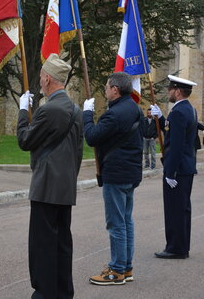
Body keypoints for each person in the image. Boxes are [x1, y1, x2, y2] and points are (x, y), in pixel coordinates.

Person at [17, 53, 83, 299]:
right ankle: (63, 292)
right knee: (62, 244)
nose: (40, 80)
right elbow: (77, 152)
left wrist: (24, 112)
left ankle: (44, 293)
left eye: (42, 76)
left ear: (48, 78)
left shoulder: (49, 109)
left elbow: (25, 140)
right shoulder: (75, 109)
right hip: (65, 187)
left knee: (42, 245)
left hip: (46, 187)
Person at [83, 72, 143, 286]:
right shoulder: (134, 108)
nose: (105, 90)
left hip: (117, 175)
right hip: (131, 173)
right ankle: (125, 267)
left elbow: (91, 137)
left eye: (107, 87)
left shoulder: (114, 114)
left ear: (115, 90)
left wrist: (87, 115)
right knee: (126, 221)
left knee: (116, 223)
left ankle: (117, 271)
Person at [151, 75, 198, 259]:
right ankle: (181, 246)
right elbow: (174, 133)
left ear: (177, 91)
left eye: (170, 89)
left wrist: (170, 172)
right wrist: (161, 119)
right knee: (183, 209)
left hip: (177, 170)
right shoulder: (189, 109)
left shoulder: (178, 112)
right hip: (186, 168)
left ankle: (175, 249)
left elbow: (176, 145)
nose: (168, 92)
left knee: (174, 210)